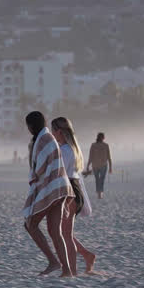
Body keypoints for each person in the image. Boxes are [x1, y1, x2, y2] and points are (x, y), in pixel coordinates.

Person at [22, 111, 75, 277]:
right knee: (54, 231)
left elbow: (41, 167)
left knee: (30, 224)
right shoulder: (48, 138)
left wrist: (34, 179)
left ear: (30, 126)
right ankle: (66, 270)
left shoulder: (44, 140)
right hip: (60, 187)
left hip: (51, 187)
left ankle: (53, 261)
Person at [52, 117, 96, 275]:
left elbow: (59, 172)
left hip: (68, 190)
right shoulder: (72, 148)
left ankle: (71, 271)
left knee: (66, 235)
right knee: (64, 232)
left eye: (53, 131)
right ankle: (86, 255)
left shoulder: (64, 150)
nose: (52, 134)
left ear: (59, 131)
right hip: (74, 188)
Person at [88, 132, 113, 199]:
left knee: (98, 179)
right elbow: (91, 155)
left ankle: (99, 193)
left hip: (97, 165)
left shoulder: (97, 145)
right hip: (101, 165)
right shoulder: (103, 145)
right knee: (100, 179)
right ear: (103, 138)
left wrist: (88, 165)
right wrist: (110, 167)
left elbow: (90, 156)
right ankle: (100, 193)